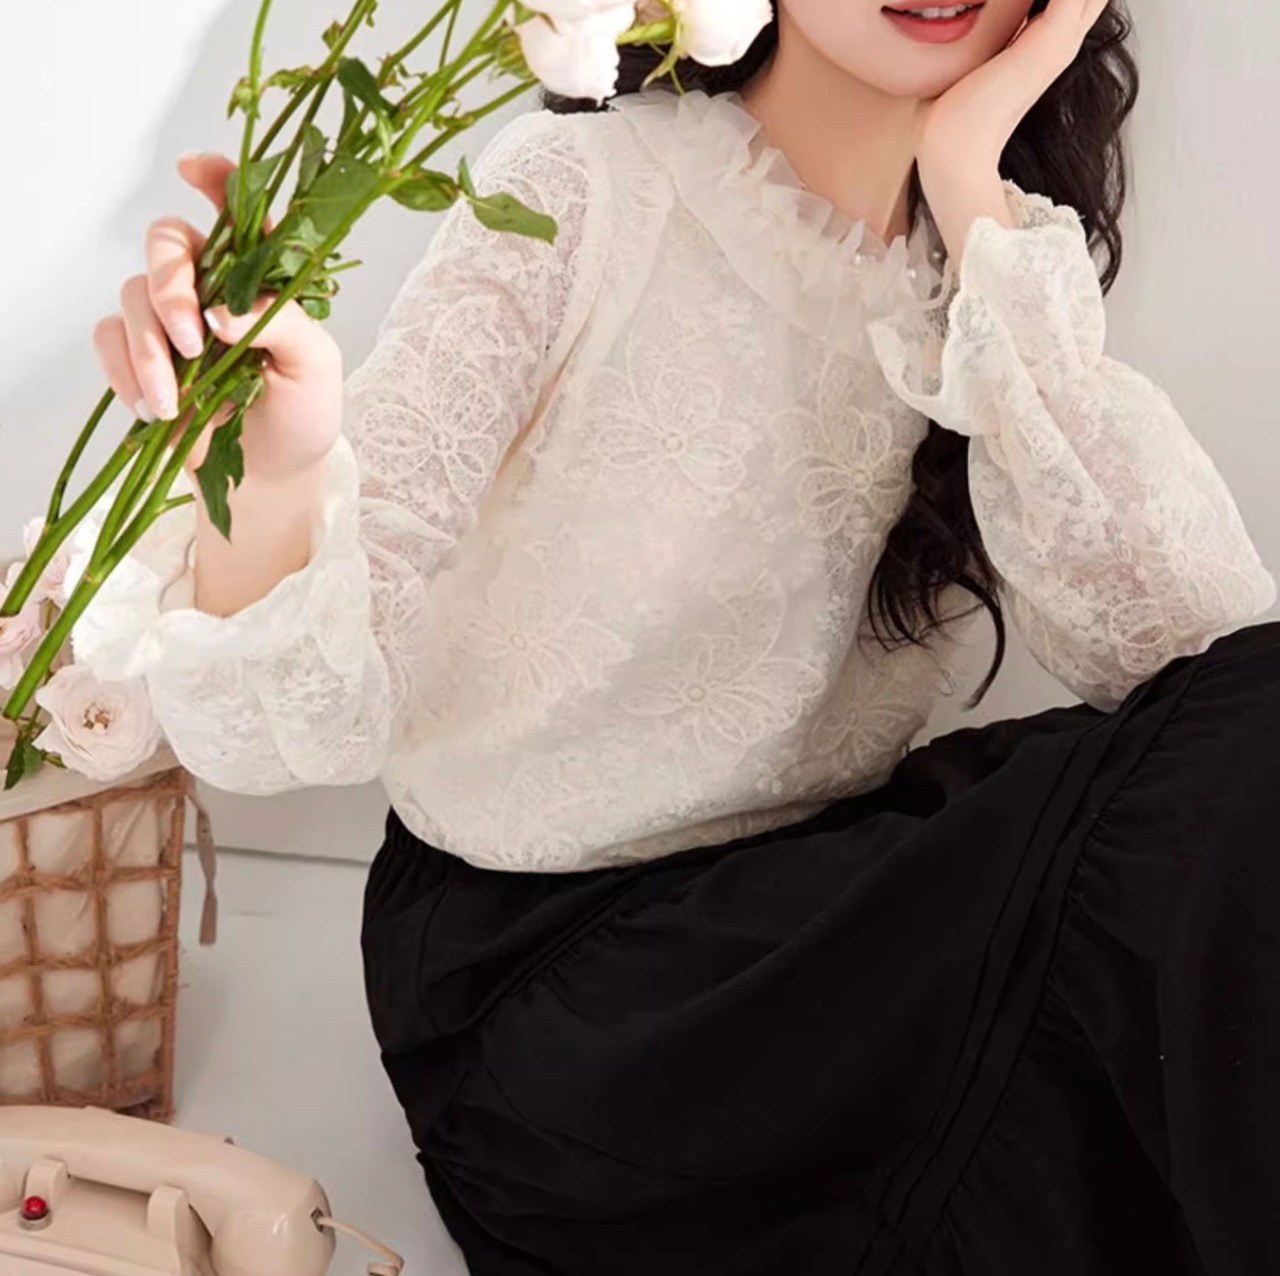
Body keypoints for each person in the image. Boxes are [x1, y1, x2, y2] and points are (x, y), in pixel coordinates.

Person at [87, 0, 1279, 1271]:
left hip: (829, 910)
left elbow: (1195, 664)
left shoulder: (983, 263)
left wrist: (969, 182)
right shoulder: (580, 192)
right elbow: (284, 735)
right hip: (561, 987)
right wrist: (271, 482)